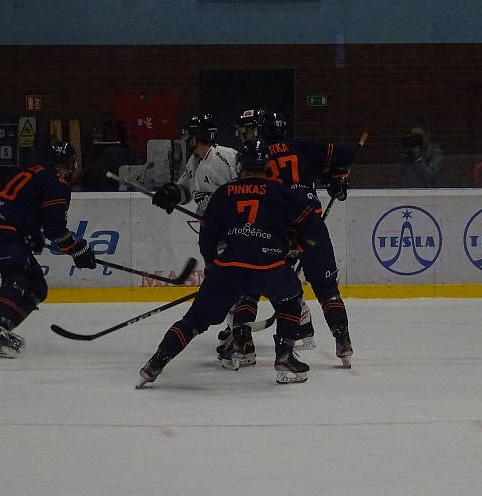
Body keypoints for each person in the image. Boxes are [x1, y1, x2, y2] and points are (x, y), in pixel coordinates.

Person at [137, 139, 327, 388]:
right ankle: (284, 358)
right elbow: (314, 231)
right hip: (268, 266)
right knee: (291, 300)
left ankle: (154, 365)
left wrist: (213, 264)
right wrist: (294, 250)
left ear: (240, 166)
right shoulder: (282, 192)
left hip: (228, 269)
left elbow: (207, 236)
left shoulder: (223, 193)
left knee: (194, 320)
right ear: (266, 165)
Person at [226, 109, 355, 365]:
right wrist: (337, 179)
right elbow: (343, 156)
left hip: (274, 230)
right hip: (309, 226)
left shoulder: (255, 155)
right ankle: (344, 343)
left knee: (251, 287)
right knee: (327, 290)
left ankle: (241, 343)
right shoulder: (303, 146)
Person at [0, 141, 96, 358]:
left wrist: (32, 233)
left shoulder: (35, 172)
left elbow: (21, 206)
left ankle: (2, 330)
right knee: (17, 274)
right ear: (71, 162)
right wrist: (77, 249)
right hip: (5, 230)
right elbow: (56, 230)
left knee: (38, 287)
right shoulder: (56, 182)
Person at [153, 113, 238, 217]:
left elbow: (244, 188)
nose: (186, 141)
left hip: (230, 224)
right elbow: (186, 191)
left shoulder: (227, 156)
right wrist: (171, 195)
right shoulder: (194, 160)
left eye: (188, 137)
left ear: (195, 138)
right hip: (209, 225)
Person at [399, 119, 443, 187]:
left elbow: (430, 177)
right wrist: (406, 154)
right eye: (413, 136)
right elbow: (400, 175)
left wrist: (418, 158)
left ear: (427, 135)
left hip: (425, 194)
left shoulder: (434, 152)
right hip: (408, 193)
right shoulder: (408, 153)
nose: (416, 139)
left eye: (418, 136)